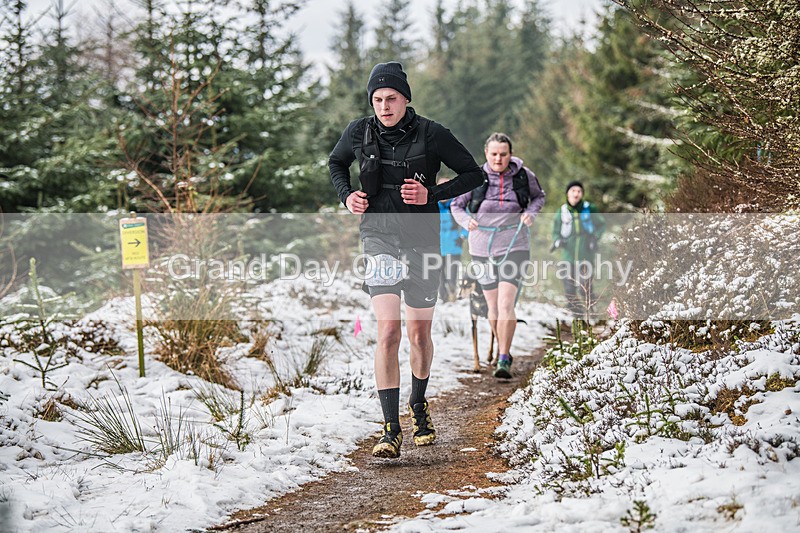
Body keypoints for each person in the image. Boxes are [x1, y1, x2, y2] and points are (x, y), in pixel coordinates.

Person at [329, 61, 483, 458]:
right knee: (388, 333)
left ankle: (418, 402)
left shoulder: (432, 134)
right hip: (378, 238)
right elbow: (336, 163)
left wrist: (433, 194)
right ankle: (390, 428)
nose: (384, 106)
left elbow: (474, 175)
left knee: (418, 335)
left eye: (392, 98)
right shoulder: (358, 132)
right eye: (378, 99)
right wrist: (347, 195)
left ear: (405, 99)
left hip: (422, 242)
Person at [451, 132, 545, 379]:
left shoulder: (524, 175)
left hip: (515, 246)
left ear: (510, 154)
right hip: (481, 248)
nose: (498, 159)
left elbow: (538, 197)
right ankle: (504, 346)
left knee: (505, 304)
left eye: (503, 154)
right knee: (492, 307)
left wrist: (531, 213)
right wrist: (466, 221)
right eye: (493, 154)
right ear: (486, 154)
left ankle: (503, 357)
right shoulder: (474, 177)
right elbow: (456, 205)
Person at [550, 180, 606, 320]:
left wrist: (595, 238)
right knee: (569, 288)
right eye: (573, 191)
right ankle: (576, 314)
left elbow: (601, 225)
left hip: (586, 254)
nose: (576, 194)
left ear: (582, 194)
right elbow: (555, 231)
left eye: (579, 191)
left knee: (585, 286)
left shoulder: (589, 209)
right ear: (567, 194)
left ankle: (591, 312)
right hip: (567, 255)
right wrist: (558, 241)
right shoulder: (562, 211)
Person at [437, 177, 467, 302]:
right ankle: (443, 298)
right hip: (436, 245)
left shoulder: (456, 205)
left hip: (453, 245)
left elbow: (467, 222)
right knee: (438, 274)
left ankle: (452, 296)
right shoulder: (432, 205)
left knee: (451, 274)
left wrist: (462, 236)